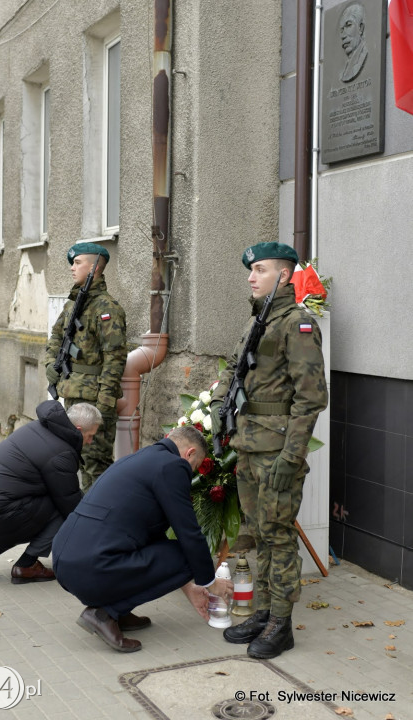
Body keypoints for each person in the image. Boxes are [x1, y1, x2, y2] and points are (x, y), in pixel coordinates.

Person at [210, 242, 328, 659]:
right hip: (248, 446)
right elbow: (234, 371)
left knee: (278, 537)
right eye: (251, 270)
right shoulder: (257, 322)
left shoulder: (296, 323)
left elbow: (311, 397)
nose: (250, 276)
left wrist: (292, 456)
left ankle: (281, 622)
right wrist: (216, 409)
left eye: (259, 269)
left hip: (277, 451)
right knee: (258, 533)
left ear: (283, 275)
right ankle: (263, 611)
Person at [51, 425, 234, 653]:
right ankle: (104, 614)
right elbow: (189, 532)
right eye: (195, 467)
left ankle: (119, 611)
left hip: (65, 558)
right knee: (184, 554)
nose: (192, 474)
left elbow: (150, 533)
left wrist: (188, 585)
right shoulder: (173, 466)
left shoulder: (141, 458)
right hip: (93, 566)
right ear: (189, 454)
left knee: (172, 552)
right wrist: (210, 583)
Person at [0, 401, 102, 583]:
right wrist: (99, 533)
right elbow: (70, 503)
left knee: (49, 498)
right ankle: (27, 565)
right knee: (62, 509)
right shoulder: (61, 452)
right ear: (78, 428)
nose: (90, 441)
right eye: (90, 436)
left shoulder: (39, 426)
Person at [45, 242, 127, 491]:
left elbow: (115, 358)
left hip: (95, 400)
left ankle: (99, 519)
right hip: (72, 395)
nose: (72, 268)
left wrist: (103, 406)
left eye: (77, 263)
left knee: (97, 465)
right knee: (76, 461)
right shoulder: (73, 305)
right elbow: (56, 337)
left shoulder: (107, 308)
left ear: (94, 268)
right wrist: (51, 364)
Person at [339, 2, 368, 83]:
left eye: (348, 25)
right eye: (342, 30)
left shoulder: (364, 55)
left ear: (361, 28)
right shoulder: (347, 67)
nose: (343, 36)